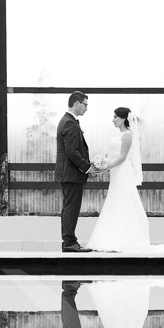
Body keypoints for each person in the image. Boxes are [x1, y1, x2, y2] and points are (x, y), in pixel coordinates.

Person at [88, 106, 164, 254]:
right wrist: (99, 164)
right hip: (115, 173)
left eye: (115, 117)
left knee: (124, 201)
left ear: (123, 119)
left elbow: (122, 158)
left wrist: (104, 169)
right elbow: (111, 154)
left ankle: (126, 239)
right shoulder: (118, 135)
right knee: (114, 201)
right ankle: (113, 236)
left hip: (122, 173)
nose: (113, 119)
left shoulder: (128, 135)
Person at [54, 91, 100, 253]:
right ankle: (69, 242)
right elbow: (72, 152)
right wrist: (88, 168)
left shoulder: (70, 122)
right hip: (71, 174)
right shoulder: (69, 123)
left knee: (69, 208)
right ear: (77, 103)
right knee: (71, 208)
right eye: (85, 104)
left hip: (70, 173)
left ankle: (69, 241)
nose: (86, 108)